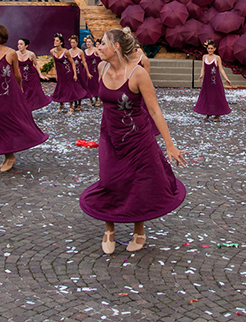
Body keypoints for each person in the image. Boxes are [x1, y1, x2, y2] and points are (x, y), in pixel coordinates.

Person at [79, 27, 187, 254]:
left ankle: (139, 230)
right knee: (109, 181)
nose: (99, 47)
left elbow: (155, 110)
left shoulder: (138, 74)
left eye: (103, 43)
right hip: (110, 137)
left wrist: (169, 144)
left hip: (138, 139)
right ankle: (109, 228)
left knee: (139, 183)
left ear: (116, 47)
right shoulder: (101, 67)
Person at [0, 25, 49, 172]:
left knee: (10, 124)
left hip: (12, 95)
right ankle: (8, 156)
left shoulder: (11, 53)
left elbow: (17, 75)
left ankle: (10, 156)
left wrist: (20, 92)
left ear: (0, 36)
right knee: (0, 126)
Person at [193, 39, 232, 122]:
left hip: (215, 81)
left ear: (214, 49)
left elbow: (221, 69)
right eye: (208, 48)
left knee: (216, 96)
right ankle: (208, 113)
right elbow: (203, 67)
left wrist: (226, 78)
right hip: (207, 81)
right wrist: (201, 75)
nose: (210, 50)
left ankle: (217, 114)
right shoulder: (204, 57)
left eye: (211, 48)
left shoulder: (217, 58)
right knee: (207, 96)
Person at [51, 33, 87, 113]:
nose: (55, 42)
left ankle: (71, 106)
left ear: (61, 42)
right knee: (60, 88)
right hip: (60, 73)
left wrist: (74, 74)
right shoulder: (52, 51)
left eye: (57, 41)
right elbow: (54, 63)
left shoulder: (66, 52)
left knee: (70, 89)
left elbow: (72, 63)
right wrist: (55, 74)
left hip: (68, 72)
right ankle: (61, 105)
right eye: (54, 40)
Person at [16, 38, 52, 110]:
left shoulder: (31, 54)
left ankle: (29, 109)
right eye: (18, 44)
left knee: (32, 92)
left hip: (31, 75)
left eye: (21, 44)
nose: (19, 46)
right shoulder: (15, 54)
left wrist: (40, 74)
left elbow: (36, 64)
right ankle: (23, 108)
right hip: (21, 76)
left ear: (26, 46)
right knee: (21, 91)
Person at [68, 35, 91, 111]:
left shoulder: (80, 51)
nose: (72, 44)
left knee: (80, 87)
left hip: (79, 72)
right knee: (72, 88)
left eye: (74, 42)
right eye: (71, 42)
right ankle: (73, 103)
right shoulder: (68, 52)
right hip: (71, 73)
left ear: (77, 43)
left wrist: (87, 72)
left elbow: (84, 62)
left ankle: (79, 103)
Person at [83, 36, 102, 106]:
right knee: (88, 84)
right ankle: (90, 99)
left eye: (89, 42)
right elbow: (84, 60)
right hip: (87, 69)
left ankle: (97, 99)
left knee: (95, 84)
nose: (88, 43)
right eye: (87, 42)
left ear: (92, 42)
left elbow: (101, 58)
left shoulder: (95, 50)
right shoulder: (85, 51)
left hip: (94, 69)